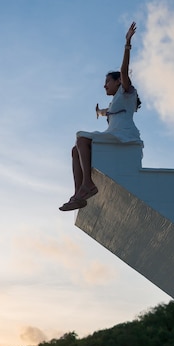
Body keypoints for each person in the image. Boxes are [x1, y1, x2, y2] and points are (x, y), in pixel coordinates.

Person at [59, 22, 142, 212]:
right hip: (113, 135)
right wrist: (99, 112)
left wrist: (127, 43)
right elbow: (108, 112)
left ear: (118, 82)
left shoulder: (127, 92)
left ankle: (87, 183)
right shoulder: (115, 102)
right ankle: (79, 193)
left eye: (107, 82)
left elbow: (123, 70)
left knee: (81, 138)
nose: (105, 86)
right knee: (75, 150)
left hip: (125, 136)